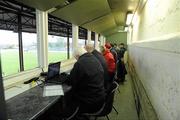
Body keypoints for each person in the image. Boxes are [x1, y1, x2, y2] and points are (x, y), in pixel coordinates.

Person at [63, 47, 106, 119]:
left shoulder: (79, 63)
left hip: (90, 104)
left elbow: (71, 81)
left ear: (77, 56)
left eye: (75, 58)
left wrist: (64, 78)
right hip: (100, 99)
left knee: (68, 96)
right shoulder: (95, 59)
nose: (76, 60)